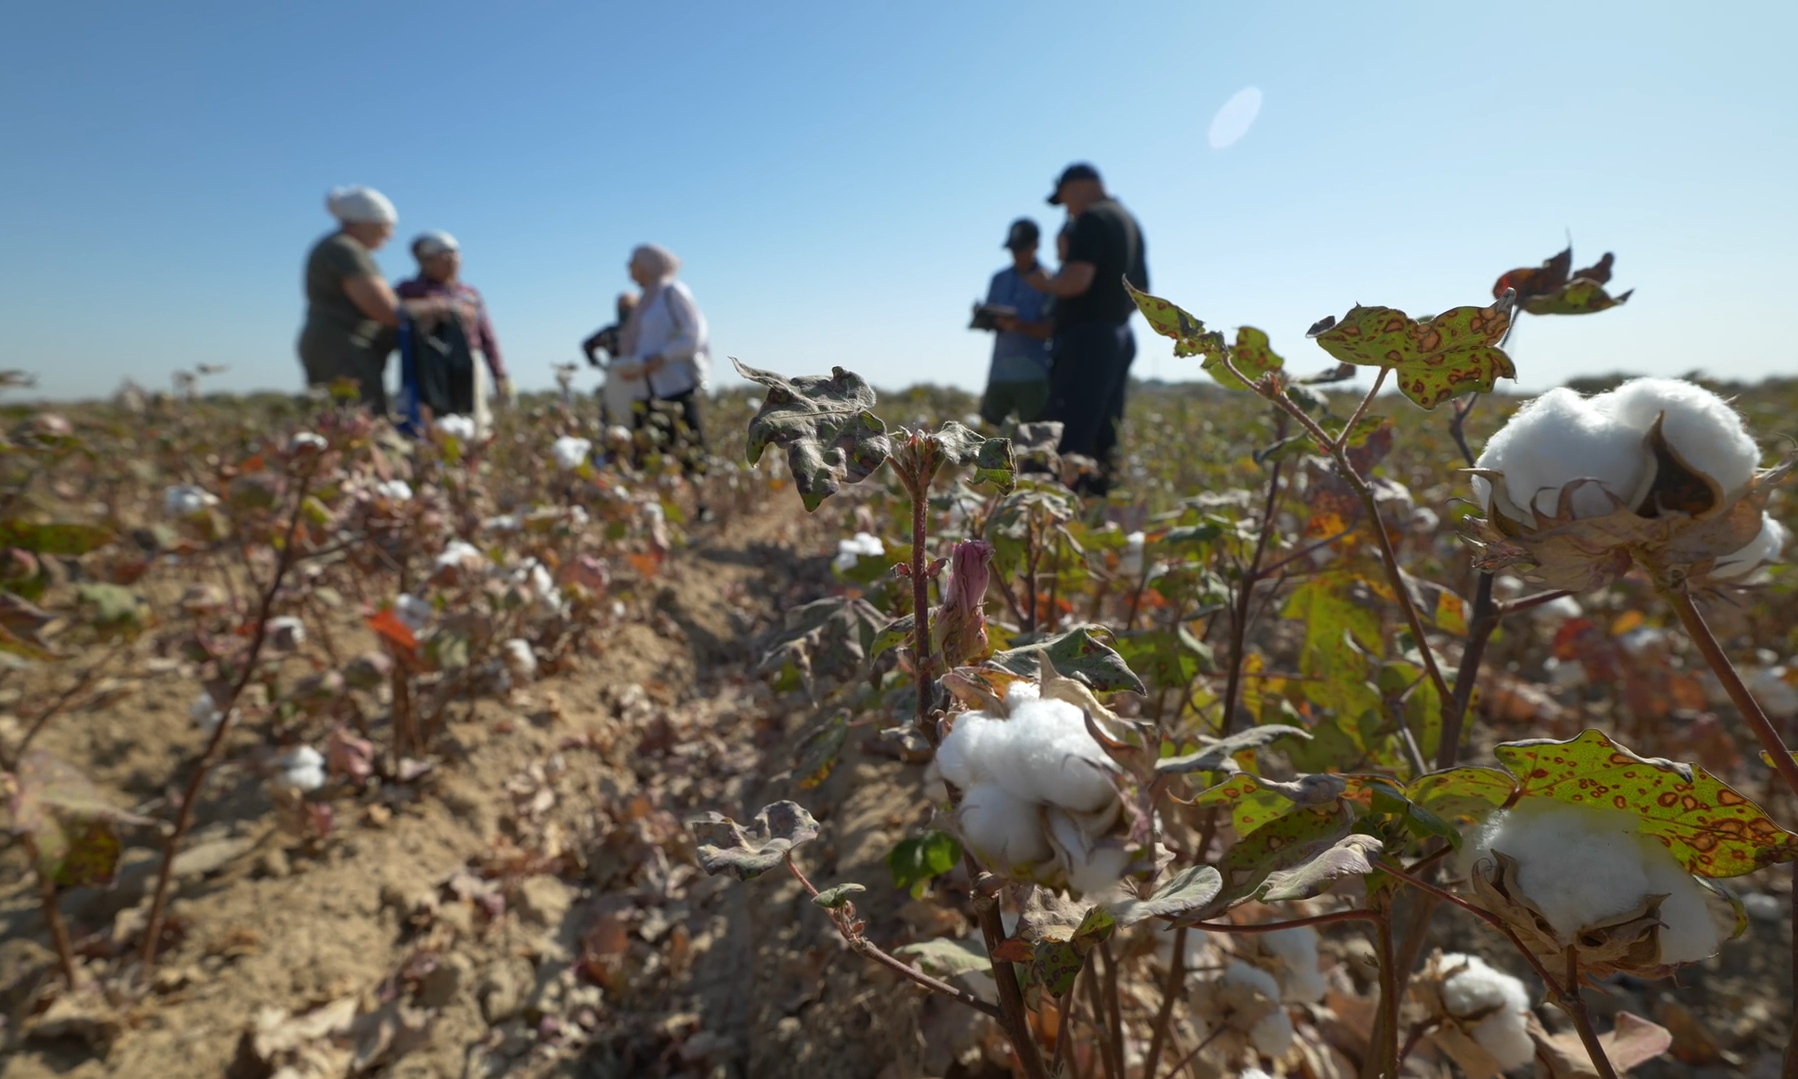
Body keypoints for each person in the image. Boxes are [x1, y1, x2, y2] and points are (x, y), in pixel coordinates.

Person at [1025, 163, 1149, 495]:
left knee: (1067, 427)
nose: (1067, 209)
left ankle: (1053, 503)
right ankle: (1097, 500)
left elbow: (1077, 280)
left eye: (1065, 200)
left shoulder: (1092, 220)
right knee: (1104, 426)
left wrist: (1046, 282)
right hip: (1118, 334)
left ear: (1079, 187)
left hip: (1088, 337)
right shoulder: (1128, 220)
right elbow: (1143, 291)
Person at [296, 186, 464, 412]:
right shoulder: (345, 249)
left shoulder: (339, 247)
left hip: (333, 346)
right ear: (368, 221)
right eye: (387, 226)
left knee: (337, 419)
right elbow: (387, 311)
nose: (390, 235)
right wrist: (436, 307)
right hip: (343, 348)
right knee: (359, 419)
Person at [395, 231, 511, 433]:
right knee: (430, 420)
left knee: (472, 419)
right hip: (426, 364)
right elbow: (394, 312)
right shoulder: (409, 289)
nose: (452, 264)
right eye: (444, 259)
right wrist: (435, 308)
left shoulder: (469, 293)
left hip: (468, 362)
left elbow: (487, 335)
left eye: (456, 259)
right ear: (427, 261)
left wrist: (499, 374)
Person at [614, 244, 710, 472]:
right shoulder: (645, 300)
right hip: (643, 390)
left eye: (633, 261)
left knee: (691, 457)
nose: (629, 267)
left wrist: (662, 357)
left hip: (674, 387)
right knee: (650, 458)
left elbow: (694, 333)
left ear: (648, 264)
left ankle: (701, 505)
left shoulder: (672, 292)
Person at [974, 219, 1054, 425]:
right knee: (987, 439)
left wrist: (1018, 325)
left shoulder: (1050, 281)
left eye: (1021, 249)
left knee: (1035, 446)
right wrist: (983, 317)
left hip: (1034, 377)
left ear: (1036, 245)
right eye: (1013, 249)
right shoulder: (998, 279)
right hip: (999, 374)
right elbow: (989, 324)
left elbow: (1051, 329)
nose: (1016, 255)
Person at [582, 292, 643, 428]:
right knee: (612, 421)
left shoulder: (644, 331)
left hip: (641, 381)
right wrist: (599, 365)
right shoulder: (610, 332)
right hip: (616, 380)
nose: (624, 311)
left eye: (628, 307)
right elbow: (587, 345)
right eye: (621, 308)